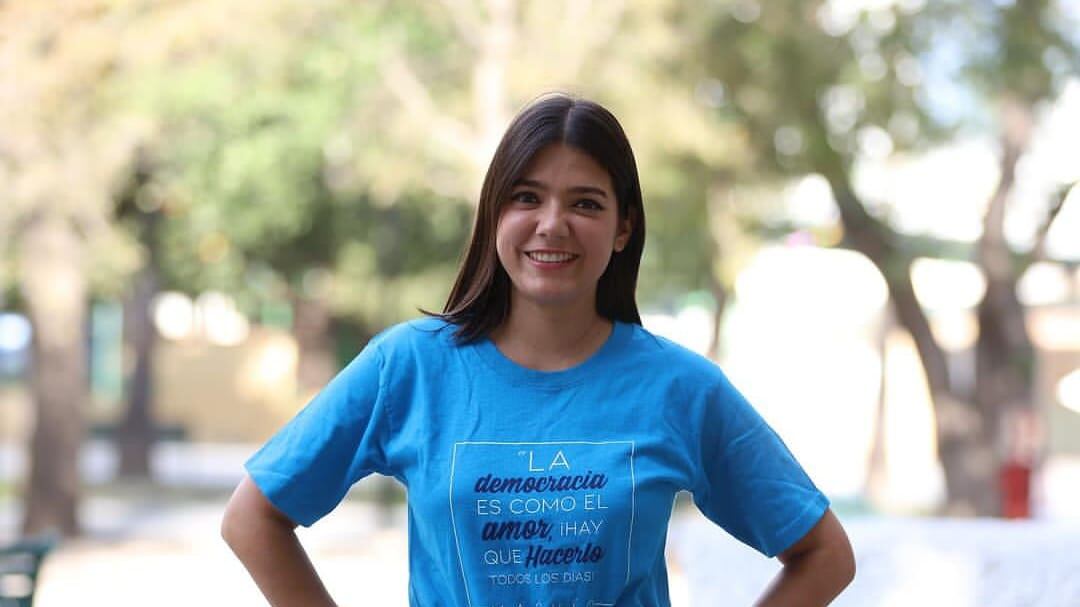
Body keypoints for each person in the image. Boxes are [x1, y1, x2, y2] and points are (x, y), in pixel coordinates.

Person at [221, 93, 855, 606]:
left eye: (585, 203)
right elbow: (252, 519)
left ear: (624, 227)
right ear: (495, 213)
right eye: (527, 197)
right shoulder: (409, 366)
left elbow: (825, 555)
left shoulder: (680, 388)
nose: (552, 224)